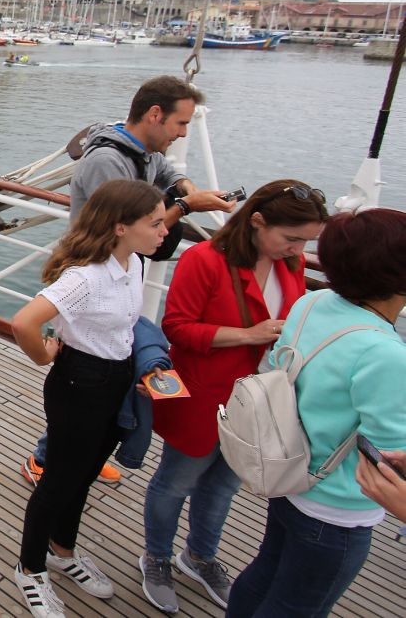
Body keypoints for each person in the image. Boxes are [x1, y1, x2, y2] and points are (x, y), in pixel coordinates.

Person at [20, 75, 235, 488]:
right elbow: (124, 226)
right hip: (94, 269)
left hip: (120, 270)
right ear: (155, 115)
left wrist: (185, 188)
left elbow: (168, 176)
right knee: (81, 373)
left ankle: (85, 449)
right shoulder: (107, 161)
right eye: (180, 124)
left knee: (111, 365)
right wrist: (187, 206)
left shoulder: (146, 154)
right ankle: (48, 458)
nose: (184, 133)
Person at [139, 179, 327, 613]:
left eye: (306, 242)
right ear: (258, 221)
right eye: (291, 238)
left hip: (259, 401)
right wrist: (248, 334)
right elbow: (177, 328)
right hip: (206, 397)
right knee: (175, 483)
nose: (297, 249)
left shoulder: (292, 265)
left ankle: (200, 556)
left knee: (224, 485)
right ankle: (157, 558)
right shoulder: (203, 260)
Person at [227, 207, 406, 618]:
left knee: (263, 574)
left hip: (288, 474)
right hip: (335, 508)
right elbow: (392, 454)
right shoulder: (385, 353)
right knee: (296, 607)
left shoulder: (315, 302)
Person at [9, 179, 168, 618]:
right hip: (79, 383)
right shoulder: (86, 278)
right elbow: (25, 322)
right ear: (120, 227)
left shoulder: (133, 264)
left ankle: (63, 550)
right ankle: (30, 568)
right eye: (155, 223)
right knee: (59, 478)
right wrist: (43, 354)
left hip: (116, 380)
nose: (164, 231)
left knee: (84, 474)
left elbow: (126, 328)